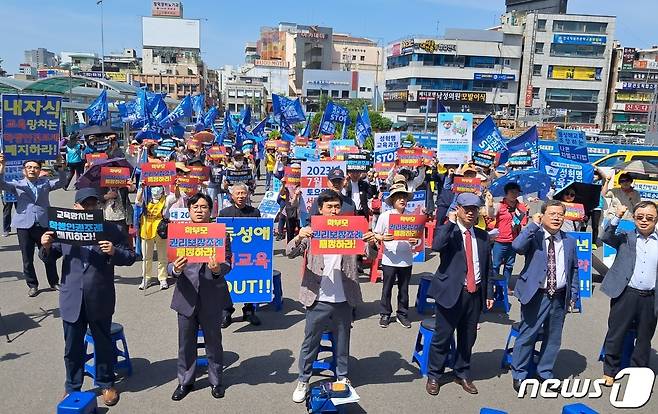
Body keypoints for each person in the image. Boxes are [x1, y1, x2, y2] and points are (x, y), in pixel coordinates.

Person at [39, 188, 136, 406]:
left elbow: (131, 256)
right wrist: (45, 247)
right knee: (72, 345)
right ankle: (72, 385)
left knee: (102, 342)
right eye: (84, 204)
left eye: (93, 204)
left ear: (98, 207)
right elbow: (49, 256)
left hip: (100, 295)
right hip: (71, 296)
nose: (89, 208)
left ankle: (106, 383)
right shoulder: (62, 228)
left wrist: (114, 252)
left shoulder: (111, 229)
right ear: (75, 207)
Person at [287, 190, 377, 403]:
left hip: (344, 298)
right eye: (330, 207)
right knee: (310, 342)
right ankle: (303, 379)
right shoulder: (313, 232)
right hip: (316, 297)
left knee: (343, 341)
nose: (334, 211)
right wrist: (300, 235)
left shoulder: (350, 230)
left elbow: (369, 255)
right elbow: (290, 252)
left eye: (337, 207)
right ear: (321, 209)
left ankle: (343, 377)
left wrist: (372, 242)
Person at [425, 193, 494, 397]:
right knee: (442, 337)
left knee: (468, 338)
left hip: (474, 294)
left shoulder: (482, 236)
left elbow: (488, 267)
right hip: (450, 293)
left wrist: (488, 292)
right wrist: (450, 222)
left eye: (475, 209)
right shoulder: (450, 232)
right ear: (459, 209)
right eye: (467, 209)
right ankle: (434, 375)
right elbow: (437, 245)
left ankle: (461, 372)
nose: (471, 213)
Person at [169, 193, 232, 401]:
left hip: (212, 297)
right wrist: (175, 270)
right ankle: (185, 382)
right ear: (189, 210)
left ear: (210, 210)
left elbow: (228, 264)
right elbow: (169, 264)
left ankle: (216, 381)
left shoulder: (220, 234)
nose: (199, 210)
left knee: (213, 342)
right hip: (185, 297)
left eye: (204, 207)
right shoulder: (179, 232)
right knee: (185, 343)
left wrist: (217, 269)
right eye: (195, 206)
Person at [510, 200, 580, 391]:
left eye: (560, 214)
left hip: (559, 296)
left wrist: (574, 294)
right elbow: (517, 246)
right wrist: (533, 224)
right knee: (528, 335)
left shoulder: (569, 241)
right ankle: (520, 374)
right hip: (536, 295)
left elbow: (573, 268)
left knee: (553, 337)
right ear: (543, 215)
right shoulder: (535, 236)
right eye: (552, 214)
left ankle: (545, 373)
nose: (557, 218)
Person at [600, 201, 658, 386]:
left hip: (650, 297)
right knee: (616, 334)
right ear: (633, 218)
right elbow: (605, 236)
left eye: (649, 218)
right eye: (640, 217)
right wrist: (617, 216)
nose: (644, 221)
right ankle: (610, 371)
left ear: (656, 220)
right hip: (626, 294)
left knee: (644, 338)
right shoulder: (626, 237)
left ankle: (638, 373)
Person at [0, 154, 66, 297]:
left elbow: (62, 182)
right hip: (24, 226)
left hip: (43, 224)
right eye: (29, 167)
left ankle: (54, 281)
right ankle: (32, 284)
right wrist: (2, 166)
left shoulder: (45, 183)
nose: (32, 170)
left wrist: (61, 166)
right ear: (24, 170)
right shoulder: (18, 184)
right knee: (27, 258)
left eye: (35, 168)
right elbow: (1, 184)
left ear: (39, 170)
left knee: (48, 254)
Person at [373, 183, 418, 329]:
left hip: (406, 259)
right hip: (389, 258)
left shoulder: (412, 217)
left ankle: (402, 314)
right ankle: (385, 313)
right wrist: (382, 238)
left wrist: (415, 240)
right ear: (393, 200)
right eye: (398, 197)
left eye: (404, 197)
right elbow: (376, 234)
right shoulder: (385, 216)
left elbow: (418, 239)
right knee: (387, 288)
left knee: (404, 289)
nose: (402, 200)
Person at [218, 183, 262, 327]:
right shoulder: (224, 213)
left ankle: (249, 311)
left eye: (243, 193)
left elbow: (260, 235)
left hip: (249, 256)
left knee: (248, 280)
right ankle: (226, 311)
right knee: (228, 282)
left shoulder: (255, 212)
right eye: (238, 193)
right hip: (230, 255)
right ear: (232, 196)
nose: (241, 196)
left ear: (248, 194)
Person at [487, 182, 528, 287]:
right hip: (500, 241)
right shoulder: (499, 206)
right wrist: (490, 204)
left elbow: (524, 223)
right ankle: (493, 286)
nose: (514, 194)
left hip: (513, 241)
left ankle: (504, 286)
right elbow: (491, 215)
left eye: (517, 192)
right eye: (512, 192)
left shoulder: (521, 207)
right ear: (506, 193)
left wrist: (525, 213)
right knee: (495, 265)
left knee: (509, 265)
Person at [135, 186, 169, 290]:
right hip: (147, 229)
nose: (156, 190)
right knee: (146, 257)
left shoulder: (166, 199)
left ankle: (162, 278)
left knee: (162, 256)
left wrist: (175, 186)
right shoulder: (146, 198)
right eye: (154, 187)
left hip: (160, 230)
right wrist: (141, 188)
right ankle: (146, 278)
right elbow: (137, 202)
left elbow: (176, 197)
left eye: (158, 187)